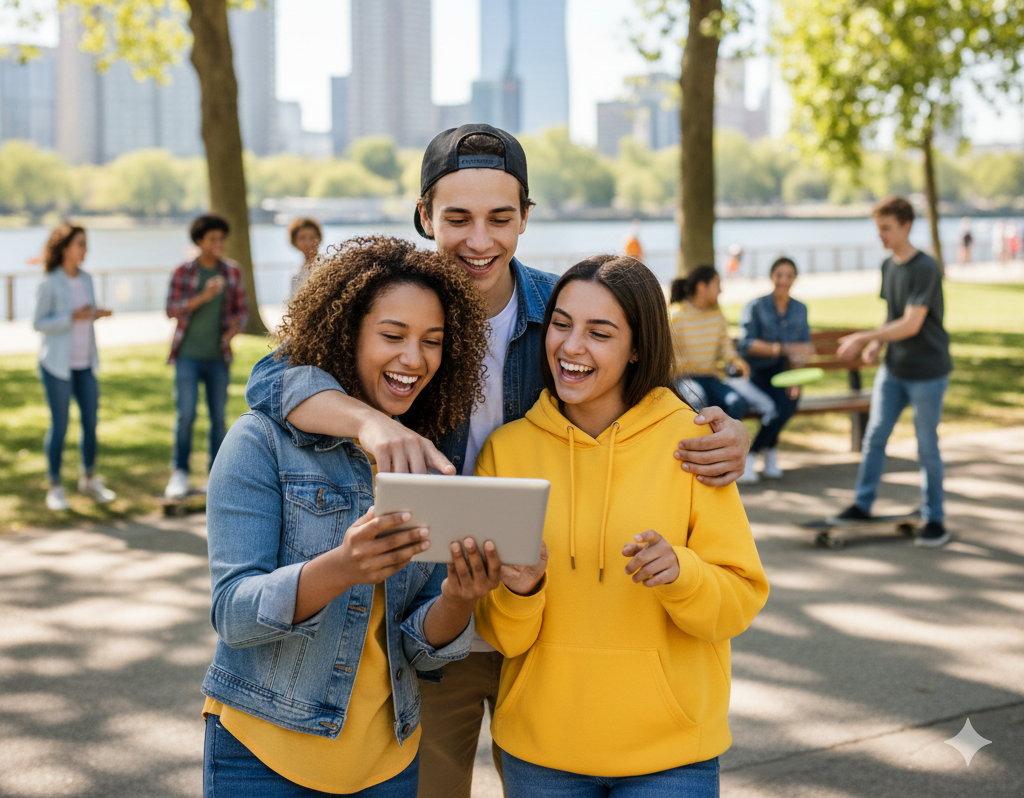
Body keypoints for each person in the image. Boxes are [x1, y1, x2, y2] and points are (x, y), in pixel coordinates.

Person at [244, 124, 752, 798]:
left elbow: (651, 397)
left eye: (500, 218)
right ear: (424, 215)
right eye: (457, 217)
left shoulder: (562, 309)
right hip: (436, 624)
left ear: (524, 219)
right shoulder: (403, 304)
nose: (479, 240)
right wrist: (367, 421)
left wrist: (728, 429)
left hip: (549, 627)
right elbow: (271, 381)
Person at [202, 236, 503, 797]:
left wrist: (460, 598)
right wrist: (341, 567)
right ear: (347, 334)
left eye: (432, 342)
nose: (414, 359)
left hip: (388, 766)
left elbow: (417, 642)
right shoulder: (260, 442)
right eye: (393, 336)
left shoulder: (429, 463)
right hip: (264, 757)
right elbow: (233, 616)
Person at [472, 255, 769, 796]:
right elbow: (501, 635)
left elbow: (739, 601)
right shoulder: (507, 452)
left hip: (672, 756)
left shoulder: (693, 443)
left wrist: (683, 572)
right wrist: (522, 590)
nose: (571, 347)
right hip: (542, 754)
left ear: (637, 347)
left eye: (599, 333)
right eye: (560, 324)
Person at [832, 196, 953, 547]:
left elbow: (913, 323)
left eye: (886, 228)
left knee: (927, 446)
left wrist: (864, 336)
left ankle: (935, 520)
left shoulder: (926, 268)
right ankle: (862, 504)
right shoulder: (889, 266)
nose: (880, 235)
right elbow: (893, 314)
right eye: (878, 228)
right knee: (875, 438)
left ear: (906, 226)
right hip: (895, 369)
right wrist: (877, 345)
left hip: (928, 371)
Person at [164, 214, 248, 499]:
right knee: (185, 415)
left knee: (218, 418)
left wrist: (232, 332)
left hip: (217, 357)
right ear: (199, 241)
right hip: (187, 355)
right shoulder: (184, 272)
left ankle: (216, 475)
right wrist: (204, 296)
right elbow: (172, 310)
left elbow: (242, 312)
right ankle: (180, 472)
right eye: (212, 239)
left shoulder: (232, 272)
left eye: (221, 239)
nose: (218, 244)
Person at [33, 224, 115, 512]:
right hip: (57, 366)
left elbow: (84, 315)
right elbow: (38, 323)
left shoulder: (88, 279)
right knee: (60, 426)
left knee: (91, 424)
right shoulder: (50, 282)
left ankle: (89, 479)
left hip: (85, 364)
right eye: (80, 243)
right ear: (65, 247)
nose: (85, 249)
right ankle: (55, 486)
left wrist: (95, 314)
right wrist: (72, 316)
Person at [669, 267, 777, 455]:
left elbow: (725, 348)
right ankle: (700, 452)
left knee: (736, 402)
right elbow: (667, 356)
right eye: (717, 284)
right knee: (697, 398)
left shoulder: (716, 315)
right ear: (702, 287)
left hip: (710, 377)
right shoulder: (676, 315)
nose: (721, 290)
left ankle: (721, 449)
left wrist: (737, 363)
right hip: (684, 378)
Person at [736, 257, 815, 482]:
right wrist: (783, 348)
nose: (784, 280)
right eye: (780, 275)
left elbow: (805, 347)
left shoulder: (800, 309)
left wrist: (795, 376)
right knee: (775, 407)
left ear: (794, 279)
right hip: (756, 373)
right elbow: (747, 344)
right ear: (772, 277)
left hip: (785, 372)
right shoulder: (756, 306)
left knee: (789, 401)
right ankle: (753, 456)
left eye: (789, 275)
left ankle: (763, 452)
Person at [288, 216, 322, 297]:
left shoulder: (331, 266)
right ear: (294, 242)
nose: (308, 242)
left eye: (312, 237)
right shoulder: (296, 275)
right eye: (302, 238)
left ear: (319, 238)